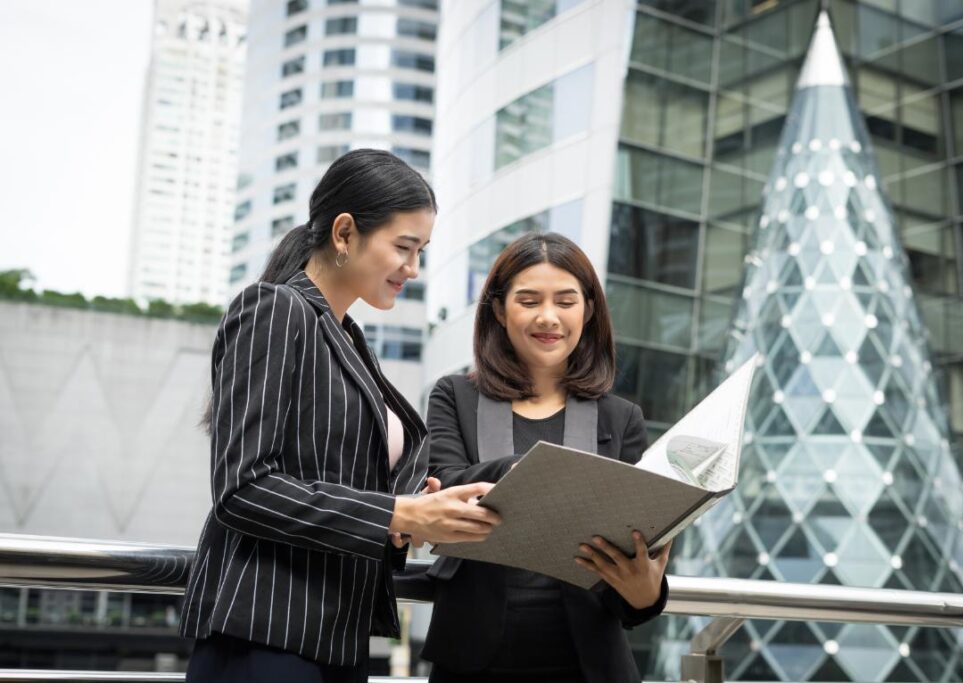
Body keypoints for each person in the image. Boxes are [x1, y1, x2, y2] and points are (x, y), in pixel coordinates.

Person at [179, 149, 501, 682]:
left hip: (336, 636)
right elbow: (243, 489)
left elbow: (340, 479)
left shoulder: (347, 337)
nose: (413, 269)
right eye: (404, 247)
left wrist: (417, 508)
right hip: (267, 632)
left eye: (421, 251)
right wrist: (398, 515)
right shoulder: (276, 308)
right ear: (345, 233)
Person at [420, 233, 672, 683]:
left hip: (588, 665)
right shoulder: (455, 396)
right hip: (473, 661)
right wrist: (524, 473)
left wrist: (646, 593)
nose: (548, 317)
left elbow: (633, 555)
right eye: (529, 300)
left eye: (566, 301)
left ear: (589, 310)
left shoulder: (622, 418)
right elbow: (447, 488)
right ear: (499, 310)